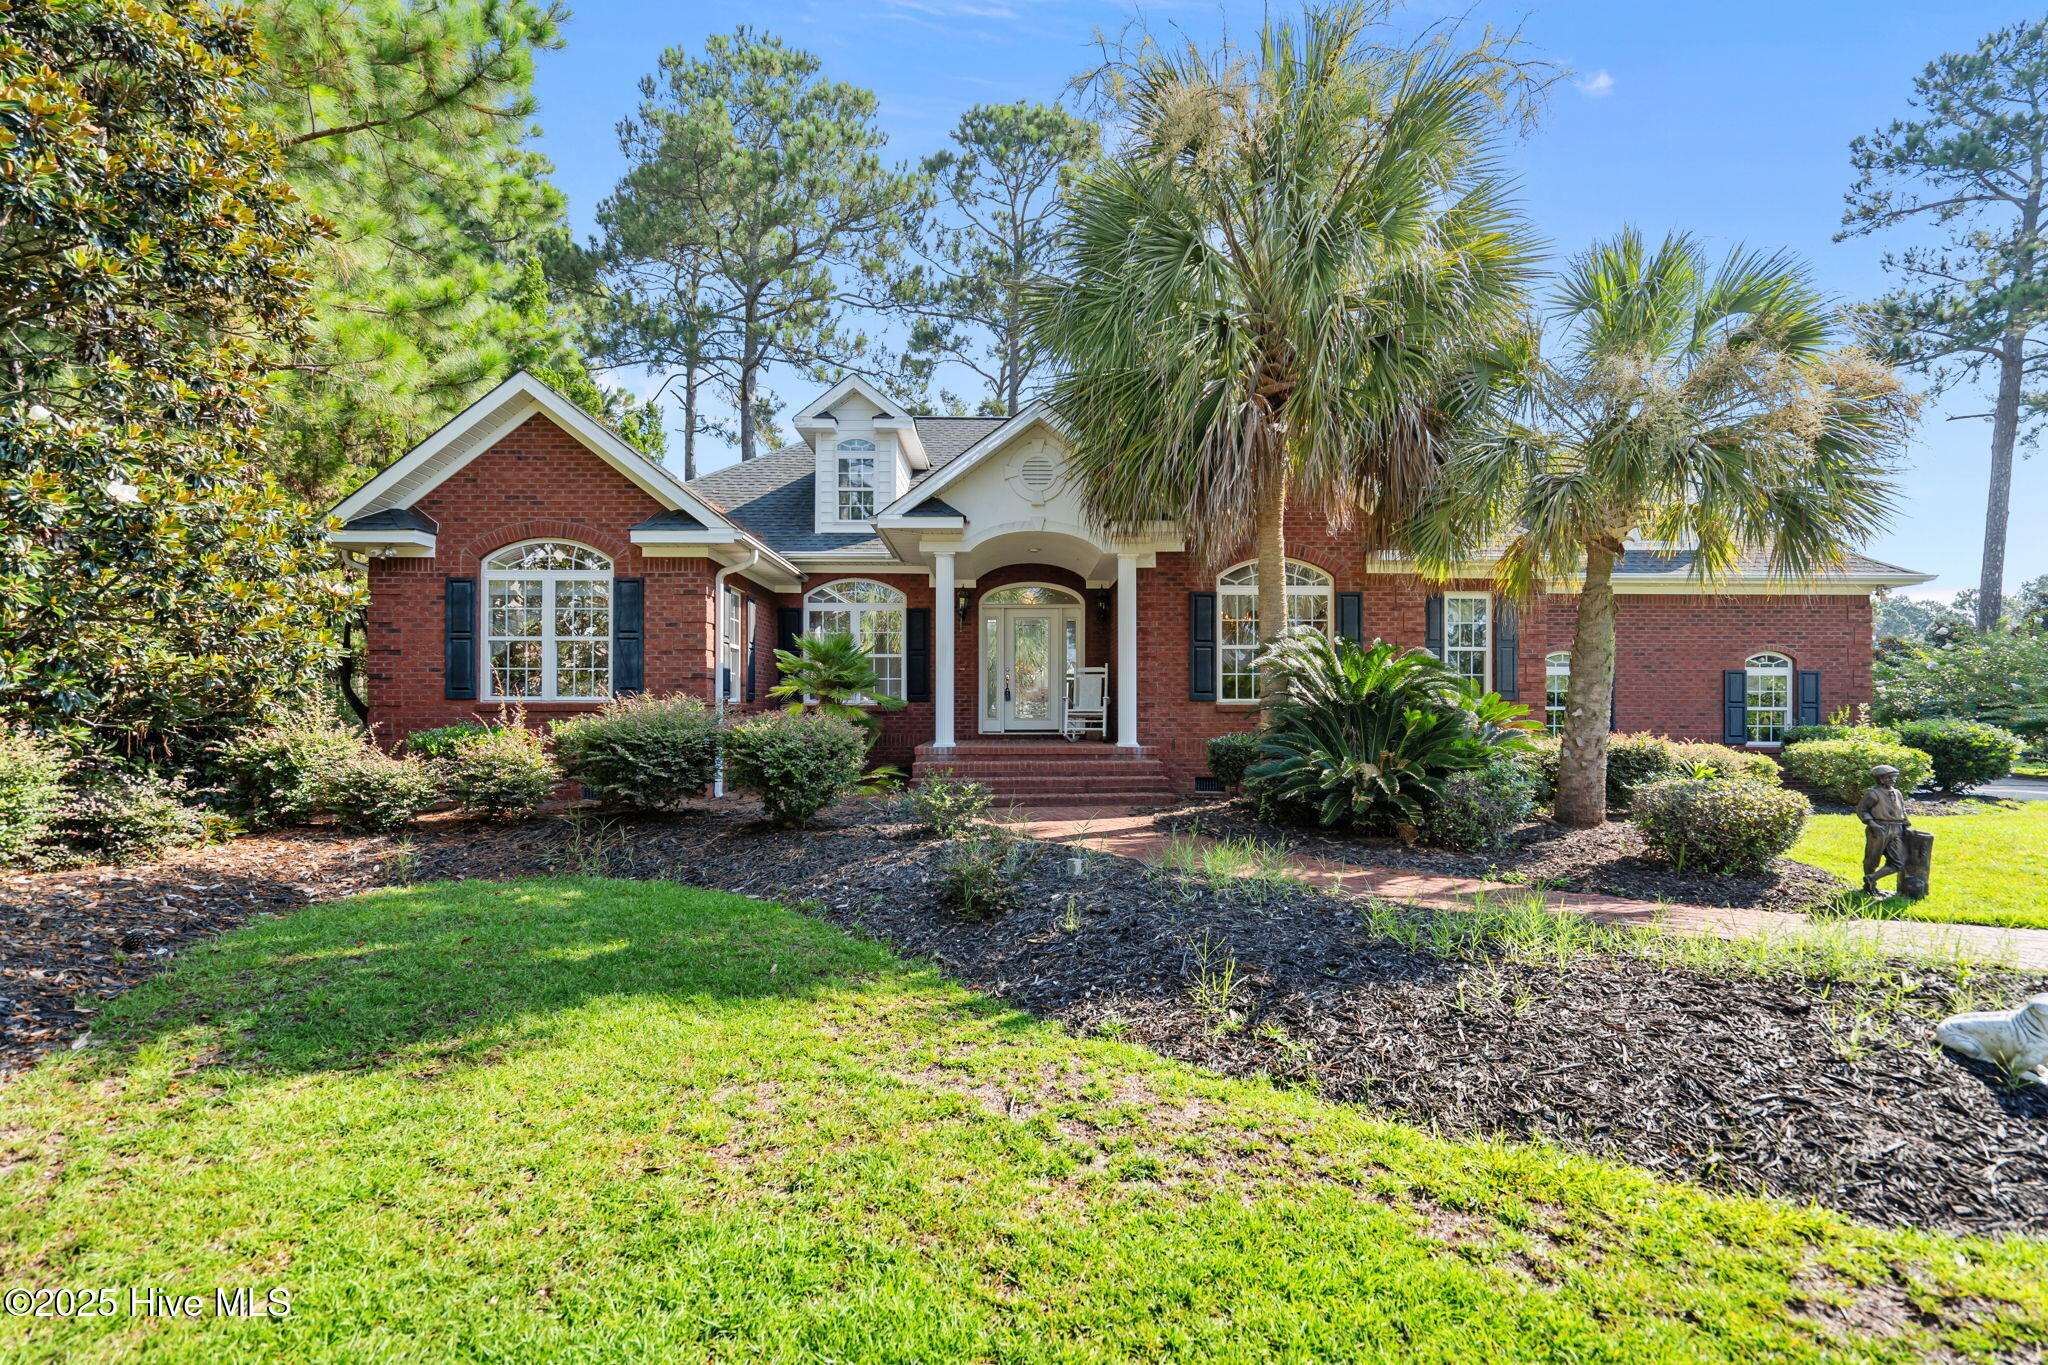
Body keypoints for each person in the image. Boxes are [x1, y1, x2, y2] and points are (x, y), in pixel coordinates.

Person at [1856, 763, 1910, 896]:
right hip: (1880, 828)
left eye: (1894, 777)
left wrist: (1905, 820)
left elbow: (1902, 808)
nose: (1893, 780)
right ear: (1880, 779)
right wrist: (1873, 824)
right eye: (1889, 777)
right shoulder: (1873, 793)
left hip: (1897, 828)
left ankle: (1872, 878)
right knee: (1872, 859)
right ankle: (1869, 887)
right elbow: (1862, 810)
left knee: (1897, 862)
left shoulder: (1897, 793)